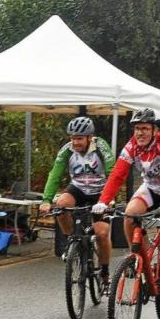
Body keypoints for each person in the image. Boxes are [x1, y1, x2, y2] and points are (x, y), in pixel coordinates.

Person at [93, 108, 160, 319]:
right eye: (137, 129)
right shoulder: (132, 146)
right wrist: (103, 201)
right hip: (152, 188)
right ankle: (139, 258)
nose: (140, 133)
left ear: (155, 130)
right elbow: (117, 175)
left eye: (145, 128)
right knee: (129, 215)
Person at [39, 117, 116, 286]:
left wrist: (108, 199)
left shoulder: (101, 147)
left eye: (79, 138)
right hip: (78, 189)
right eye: (72, 138)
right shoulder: (67, 150)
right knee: (60, 205)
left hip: (100, 193)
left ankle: (104, 271)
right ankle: (71, 241)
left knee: (102, 233)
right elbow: (55, 174)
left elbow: (112, 171)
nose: (75, 142)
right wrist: (46, 199)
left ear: (90, 137)